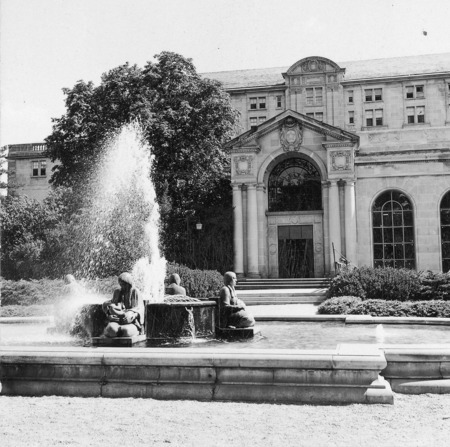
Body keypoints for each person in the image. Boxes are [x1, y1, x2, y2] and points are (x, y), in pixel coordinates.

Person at [101, 272, 144, 338]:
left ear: (129, 283)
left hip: (131, 322)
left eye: (125, 284)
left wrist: (132, 315)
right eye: (121, 284)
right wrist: (109, 315)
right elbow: (110, 305)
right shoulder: (117, 292)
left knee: (125, 331)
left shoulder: (135, 292)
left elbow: (140, 308)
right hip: (117, 320)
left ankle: (137, 331)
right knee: (111, 330)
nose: (123, 286)